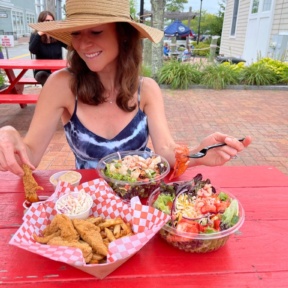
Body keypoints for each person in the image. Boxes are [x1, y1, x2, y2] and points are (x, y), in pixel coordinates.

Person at [0, 0, 251, 177]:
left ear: (122, 34)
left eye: (96, 31)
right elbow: (29, 159)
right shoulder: (61, 86)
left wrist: (199, 153)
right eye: (76, 33)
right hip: (88, 211)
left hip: (141, 206)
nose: (84, 43)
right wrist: (10, 135)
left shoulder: (147, 89)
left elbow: (164, 151)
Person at [29, 11, 67, 86]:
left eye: (52, 21)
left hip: (58, 70)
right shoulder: (35, 35)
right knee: (45, 77)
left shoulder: (57, 35)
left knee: (69, 77)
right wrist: (39, 34)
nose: (50, 23)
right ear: (41, 22)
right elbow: (32, 50)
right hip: (42, 71)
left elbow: (69, 46)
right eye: (47, 21)